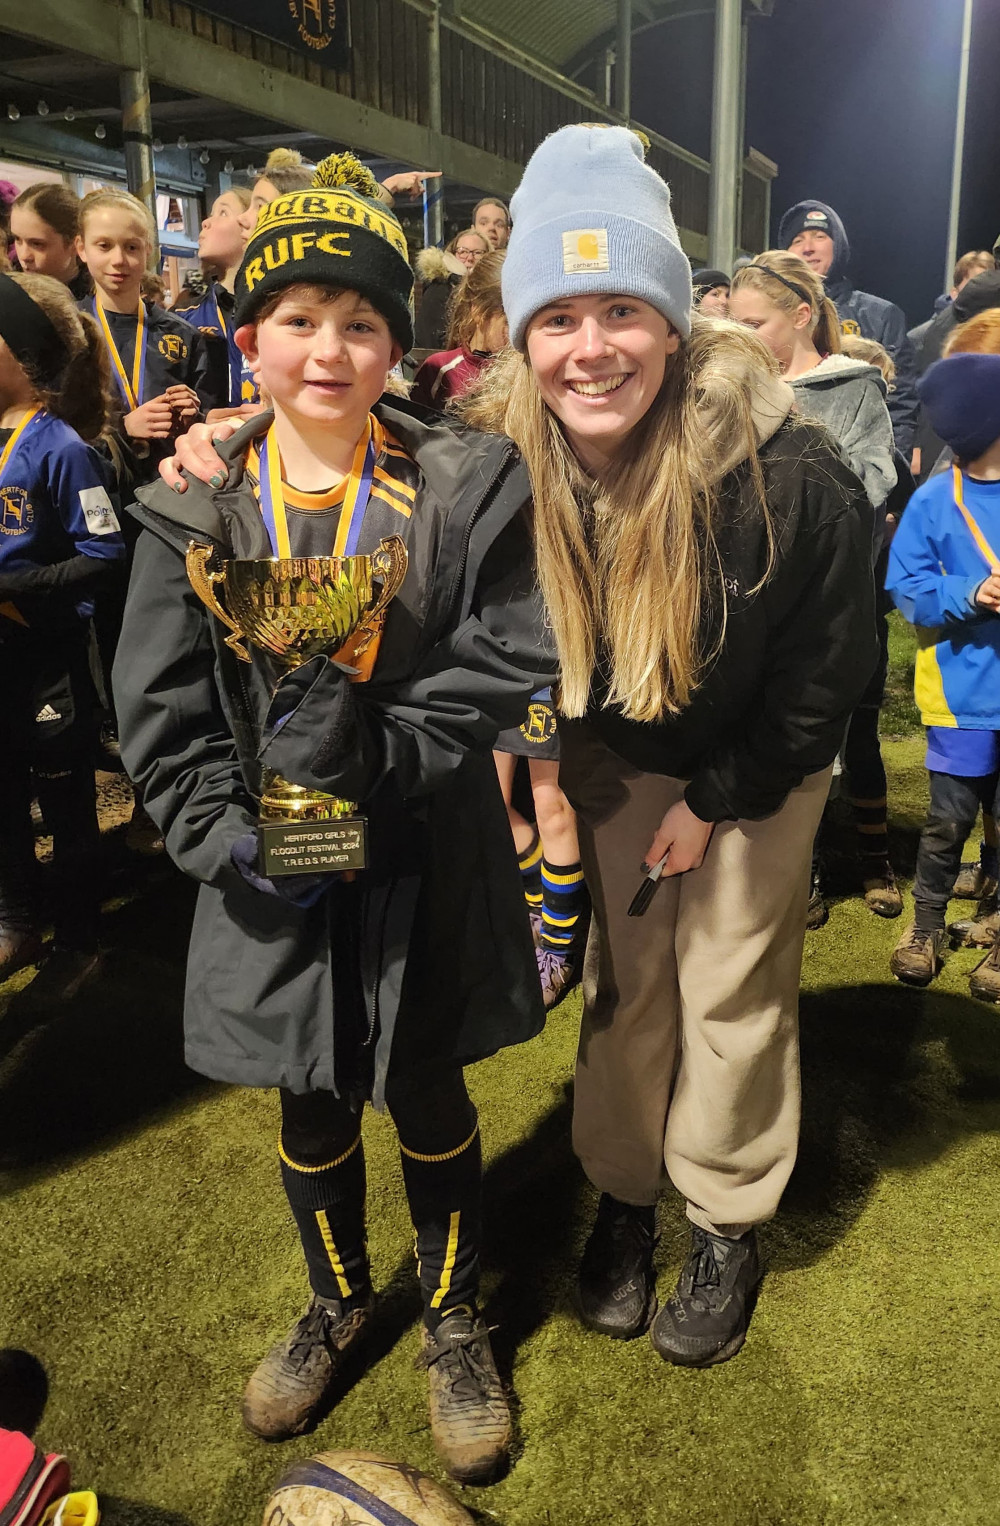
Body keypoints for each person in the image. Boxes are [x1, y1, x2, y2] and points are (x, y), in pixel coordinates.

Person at [121, 154, 554, 1484]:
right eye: (299, 320)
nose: (332, 346)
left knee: (424, 1076)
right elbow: (159, 701)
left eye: (362, 321)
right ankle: (336, 1296)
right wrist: (219, 834)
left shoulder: (467, 481)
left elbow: (504, 655)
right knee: (310, 1087)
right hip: (275, 857)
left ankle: (454, 1312)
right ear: (249, 340)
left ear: (394, 346)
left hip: (419, 839)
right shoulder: (195, 499)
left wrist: (391, 749)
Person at [478, 123, 875, 1366]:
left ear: (671, 318)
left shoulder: (789, 474)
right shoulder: (501, 455)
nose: (589, 349)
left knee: (731, 989)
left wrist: (712, 800)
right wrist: (217, 446)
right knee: (625, 985)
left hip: (753, 768)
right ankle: (624, 1190)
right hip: (610, 759)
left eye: (619, 309)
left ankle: (725, 1210)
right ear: (521, 334)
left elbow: (823, 686)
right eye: (556, 315)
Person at [729, 250, 898, 923]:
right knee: (772, 724)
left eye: (756, 321)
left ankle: (869, 857)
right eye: (735, 322)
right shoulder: (733, 381)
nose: (743, 336)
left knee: (845, 730)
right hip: (757, 591)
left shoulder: (853, 386)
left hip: (831, 594)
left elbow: (874, 480)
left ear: (801, 315)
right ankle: (808, 868)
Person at [0, 271, 124, 999]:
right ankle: (16, 923)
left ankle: (80, 942)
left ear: (20, 355)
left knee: (65, 804)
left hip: (47, 663)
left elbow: (104, 557)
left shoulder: (60, 450)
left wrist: (13, 590)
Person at [886, 351, 1000, 1001]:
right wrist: (973, 592)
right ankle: (925, 927)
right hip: (961, 693)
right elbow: (908, 591)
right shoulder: (936, 500)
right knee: (947, 820)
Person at [76, 188, 218, 490]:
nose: (118, 260)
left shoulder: (182, 335)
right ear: (81, 248)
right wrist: (123, 428)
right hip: (95, 490)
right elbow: (53, 428)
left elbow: (207, 426)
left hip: (168, 493)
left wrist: (193, 417)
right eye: (104, 245)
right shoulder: (69, 332)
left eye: (131, 247)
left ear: (149, 251)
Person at [778, 199, 919, 459]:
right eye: (797, 240)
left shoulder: (882, 315)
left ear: (838, 246)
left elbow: (901, 405)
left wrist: (892, 472)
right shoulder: (772, 318)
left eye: (819, 236)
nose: (808, 248)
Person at [171, 187, 252, 409]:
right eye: (210, 213)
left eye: (222, 213)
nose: (206, 222)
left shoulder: (278, 311)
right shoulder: (181, 318)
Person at [411, 250, 507, 408]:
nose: (520, 335)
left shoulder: (527, 372)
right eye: (509, 322)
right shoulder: (439, 369)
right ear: (479, 311)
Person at [10, 184, 90, 299]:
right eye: (17, 239)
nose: (24, 256)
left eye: (37, 244)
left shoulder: (100, 302)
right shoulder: (9, 293)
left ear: (75, 244)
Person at [413, 229, 488, 351]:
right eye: (463, 251)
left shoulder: (494, 293)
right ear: (452, 254)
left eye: (478, 252)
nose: (470, 258)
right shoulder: (439, 289)